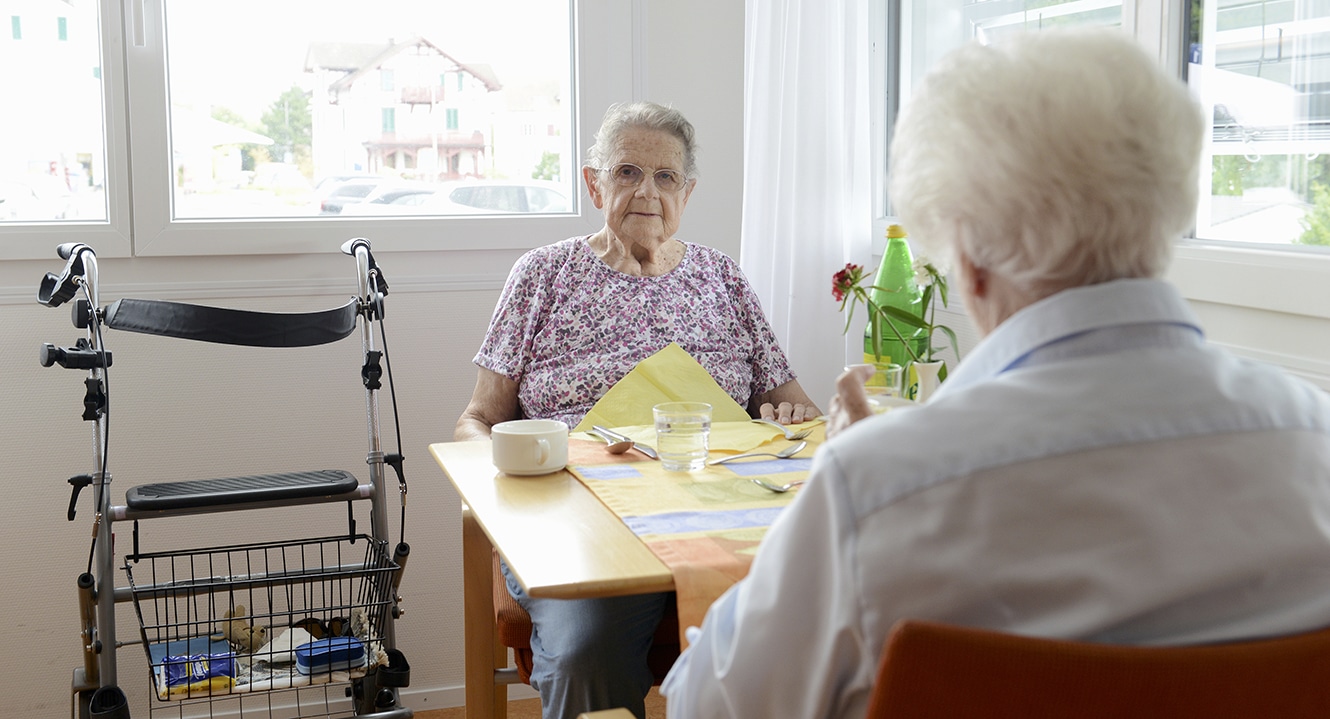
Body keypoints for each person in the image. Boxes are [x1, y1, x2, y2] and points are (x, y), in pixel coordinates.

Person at [661, 28, 1330, 719]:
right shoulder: (1316, 439)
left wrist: (863, 471)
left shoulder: (877, 487)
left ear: (971, 256)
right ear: (1161, 219)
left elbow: (706, 708)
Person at [455, 101, 820, 719]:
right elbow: (477, 421)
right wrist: (511, 468)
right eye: (627, 172)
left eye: (666, 176)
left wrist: (787, 416)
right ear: (594, 182)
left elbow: (793, 404)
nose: (647, 191)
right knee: (585, 652)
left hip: (714, 508)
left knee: (819, 615)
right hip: (583, 515)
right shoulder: (542, 275)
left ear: (688, 191)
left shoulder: (721, 277)